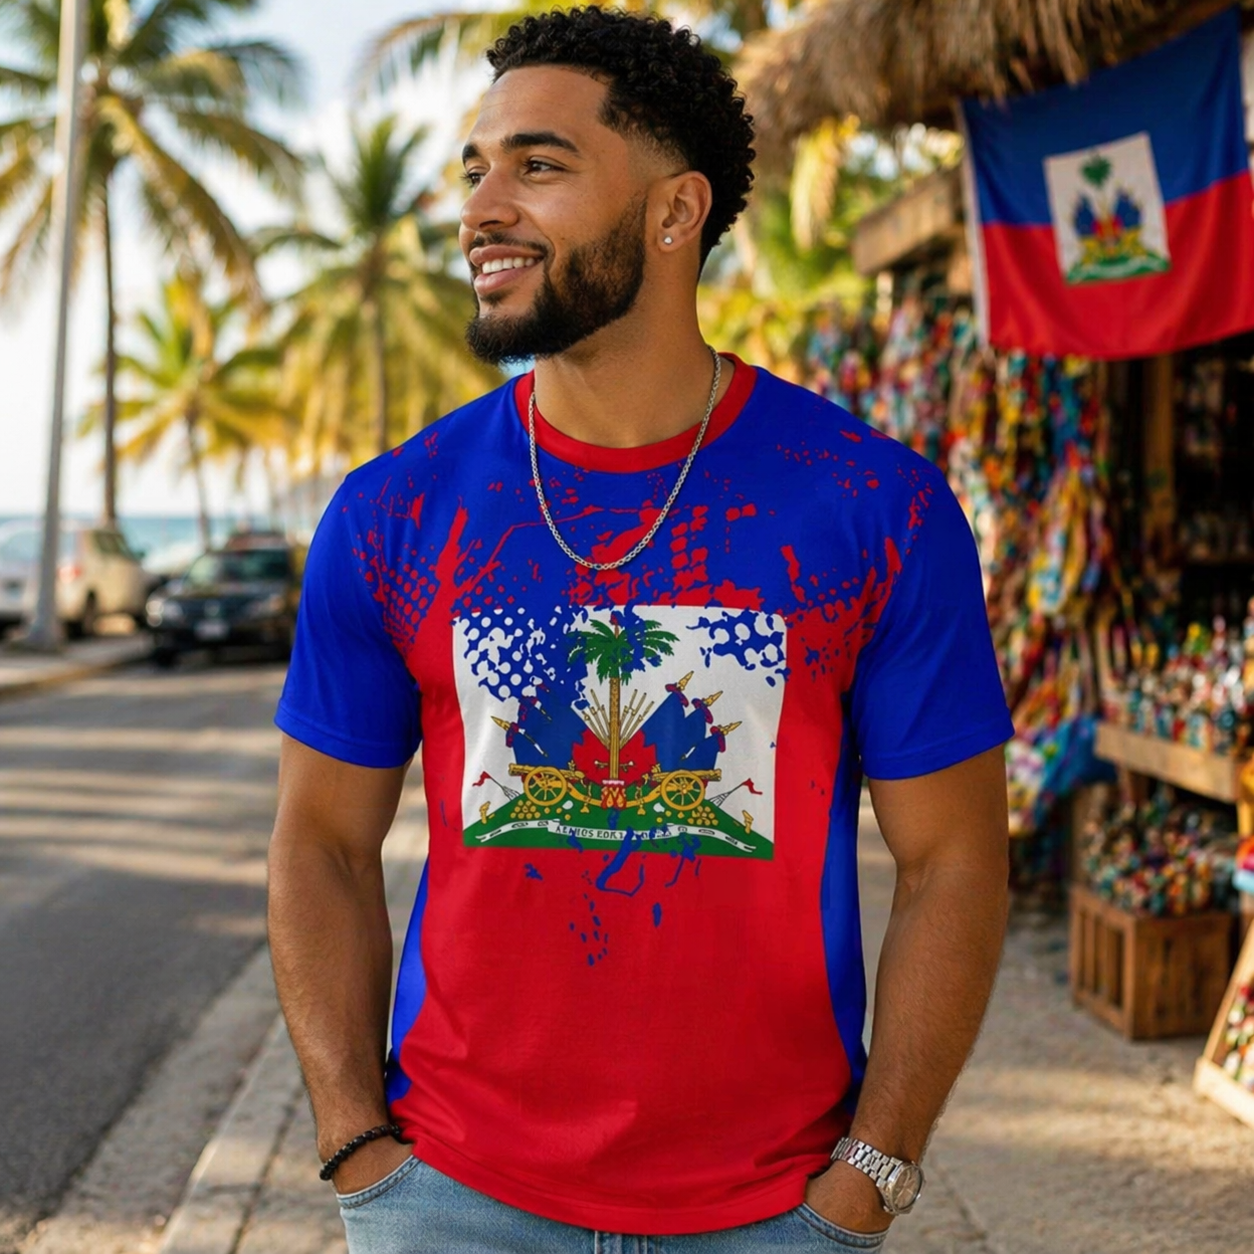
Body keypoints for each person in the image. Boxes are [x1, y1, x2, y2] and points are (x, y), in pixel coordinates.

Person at [268, 8, 1013, 1252]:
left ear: (675, 213)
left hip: (776, 1214)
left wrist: (869, 1177)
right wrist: (359, 1147)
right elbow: (322, 845)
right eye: (476, 169)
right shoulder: (393, 514)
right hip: (451, 1202)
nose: (481, 208)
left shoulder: (873, 507)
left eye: (539, 165)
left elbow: (953, 865)